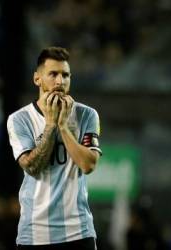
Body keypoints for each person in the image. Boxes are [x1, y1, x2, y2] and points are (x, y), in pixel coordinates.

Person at [7, 46, 102, 250]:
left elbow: (88, 165)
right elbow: (32, 167)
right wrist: (50, 125)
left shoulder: (87, 115)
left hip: (79, 231)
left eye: (65, 75)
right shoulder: (19, 120)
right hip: (35, 233)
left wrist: (62, 126)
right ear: (37, 79)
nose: (60, 81)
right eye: (53, 74)